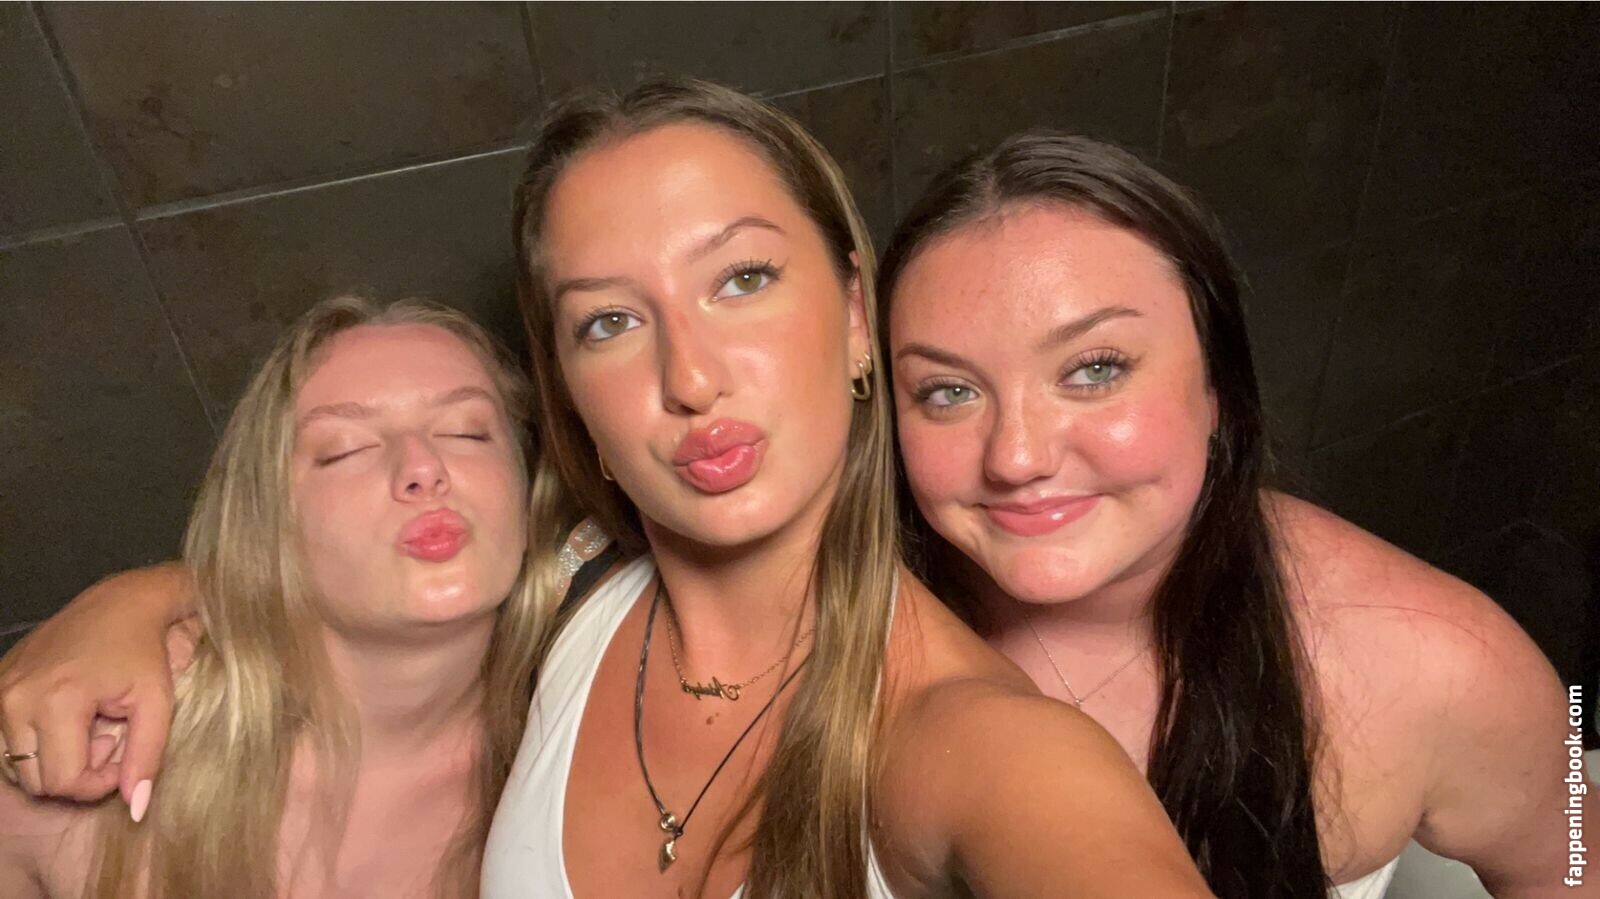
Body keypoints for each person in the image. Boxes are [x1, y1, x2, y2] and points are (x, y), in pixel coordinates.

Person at [0, 82, 1213, 898]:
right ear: (567, 391)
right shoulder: (564, 593)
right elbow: (346, 573)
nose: (690, 376)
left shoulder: (978, 744)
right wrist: (134, 602)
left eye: (741, 279)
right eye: (610, 322)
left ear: (856, 314)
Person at [877, 131, 1580, 896]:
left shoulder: (1448, 665)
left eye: (1095, 369)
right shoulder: (823, 630)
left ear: (1218, 390)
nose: (1016, 457)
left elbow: (1575, 862)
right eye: (948, 391)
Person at [1, 296, 551, 897]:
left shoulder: (582, 736)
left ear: (527, 483)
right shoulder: (89, 756)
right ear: (269, 522)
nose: (423, 467)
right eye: (345, 449)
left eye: (467, 432)